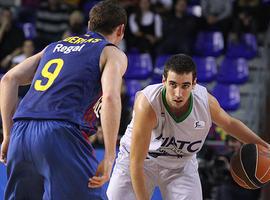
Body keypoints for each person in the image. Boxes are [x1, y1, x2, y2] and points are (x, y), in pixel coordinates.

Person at [0, 1, 127, 199]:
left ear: (89, 25)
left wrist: (7, 136)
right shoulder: (111, 52)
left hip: (21, 133)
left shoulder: (54, 46)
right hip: (60, 132)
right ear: (121, 30)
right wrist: (110, 156)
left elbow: (9, 79)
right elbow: (110, 97)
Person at [106, 54, 270, 200]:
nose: (178, 93)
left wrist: (264, 145)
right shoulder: (147, 103)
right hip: (141, 161)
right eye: (173, 84)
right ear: (163, 81)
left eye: (185, 86)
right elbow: (136, 163)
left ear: (194, 84)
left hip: (180, 166)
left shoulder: (205, 102)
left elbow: (229, 124)